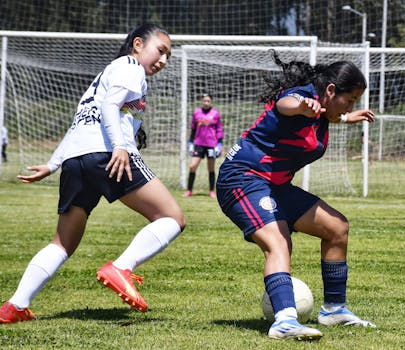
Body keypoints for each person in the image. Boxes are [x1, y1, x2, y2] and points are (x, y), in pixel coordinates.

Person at [0, 23, 185, 324]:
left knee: (62, 243)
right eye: (160, 51)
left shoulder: (105, 74)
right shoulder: (130, 67)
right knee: (172, 218)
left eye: (168, 56)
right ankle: (122, 267)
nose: (163, 60)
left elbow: (81, 121)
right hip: (107, 154)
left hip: (77, 159)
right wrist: (121, 146)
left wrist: (54, 163)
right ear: (138, 44)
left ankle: (15, 305)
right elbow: (111, 106)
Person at [216, 50, 376, 340]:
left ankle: (334, 310)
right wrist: (302, 105)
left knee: (337, 228)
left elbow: (323, 117)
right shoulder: (300, 98)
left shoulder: (324, 114)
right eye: (350, 100)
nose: (350, 105)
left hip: (274, 186)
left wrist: (347, 116)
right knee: (278, 242)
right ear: (330, 90)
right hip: (242, 179)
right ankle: (285, 322)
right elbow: (285, 104)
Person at [183, 94, 223, 198]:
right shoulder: (197, 113)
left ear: (211, 102)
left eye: (208, 101)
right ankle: (189, 190)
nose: (206, 103)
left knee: (211, 168)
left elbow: (219, 129)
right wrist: (191, 142)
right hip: (198, 144)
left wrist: (220, 143)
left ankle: (211, 191)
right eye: (204, 101)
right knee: (192, 166)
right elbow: (193, 128)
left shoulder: (215, 114)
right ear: (202, 101)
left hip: (212, 144)